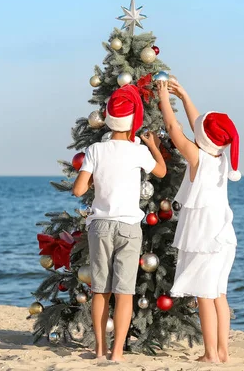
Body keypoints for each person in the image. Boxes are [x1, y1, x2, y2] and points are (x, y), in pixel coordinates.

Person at [73, 84, 167, 361]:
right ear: (133, 120)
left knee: (100, 290)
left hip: (101, 226)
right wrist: (153, 147)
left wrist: (92, 179)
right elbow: (161, 171)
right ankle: (117, 354)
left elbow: (78, 190)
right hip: (128, 227)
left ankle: (99, 350)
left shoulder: (95, 150)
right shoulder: (138, 151)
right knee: (124, 293)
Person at [156, 78, 241, 363]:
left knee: (204, 296)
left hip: (205, 237)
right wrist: (184, 95)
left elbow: (174, 129)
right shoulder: (220, 156)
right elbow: (199, 128)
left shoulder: (197, 157)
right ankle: (223, 352)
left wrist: (163, 97)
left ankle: (210, 354)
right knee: (219, 294)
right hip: (224, 237)